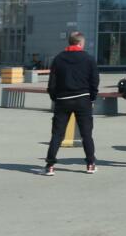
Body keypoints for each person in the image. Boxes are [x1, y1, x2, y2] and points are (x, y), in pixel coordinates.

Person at [42, 31, 99, 176]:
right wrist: (92, 97)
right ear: (80, 43)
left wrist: (55, 97)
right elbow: (94, 80)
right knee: (86, 134)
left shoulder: (58, 59)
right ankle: (90, 164)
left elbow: (52, 82)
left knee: (57, 134)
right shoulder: (88, 58)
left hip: (63, 100)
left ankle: (50, 165)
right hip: (83, 99)